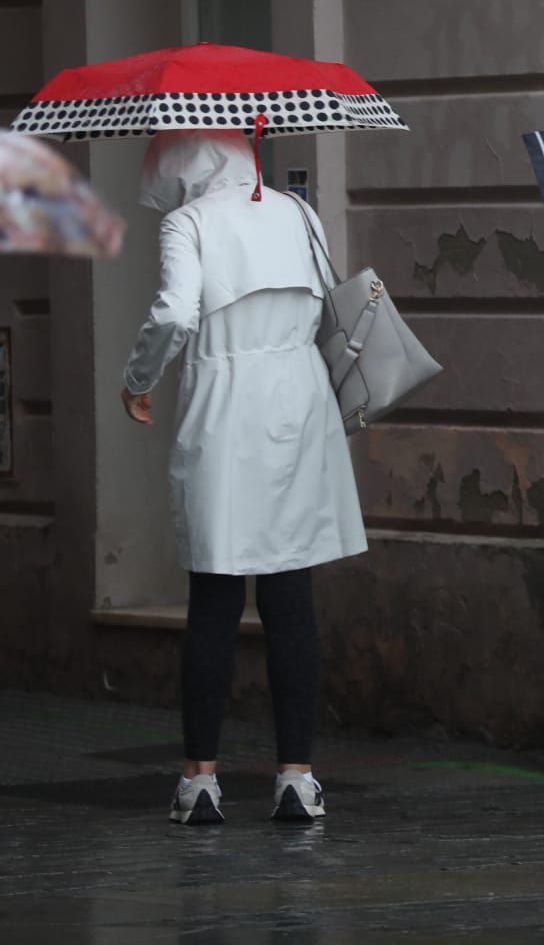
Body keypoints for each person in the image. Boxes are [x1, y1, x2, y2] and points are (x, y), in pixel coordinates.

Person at [122, 131, 365, 825]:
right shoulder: (297, 213)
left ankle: (201, 782)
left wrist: (137, 379)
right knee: (291, 596)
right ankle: (298, 776)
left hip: (224, 406)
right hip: (298, 399)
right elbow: (327, 301)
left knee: (215, 598)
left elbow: (174, 311)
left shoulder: (189, 221)